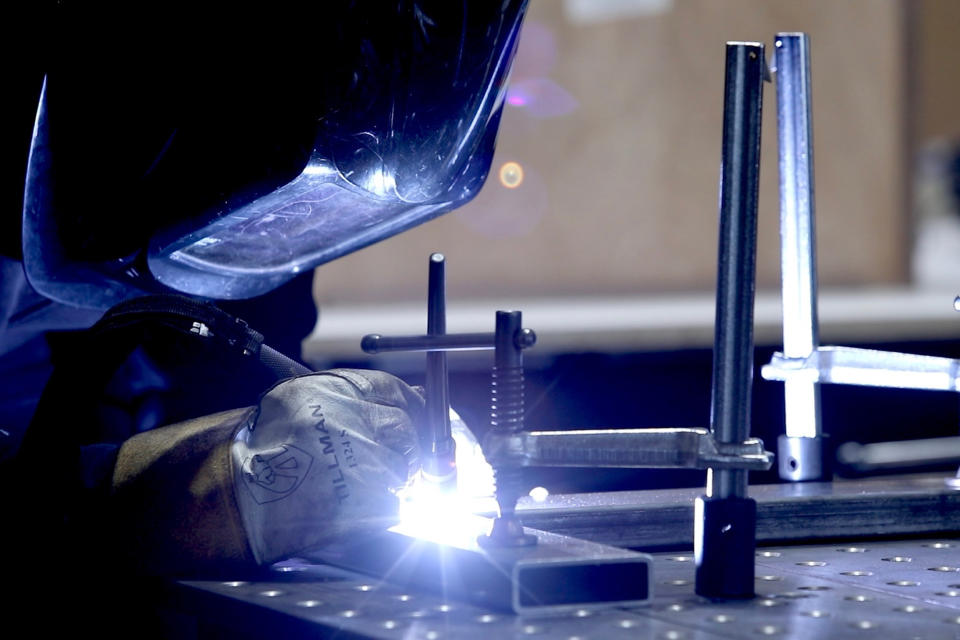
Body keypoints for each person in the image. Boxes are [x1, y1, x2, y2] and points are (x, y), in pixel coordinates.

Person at [1, 2, 528, 634]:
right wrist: (144, 497)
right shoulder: (179, 125)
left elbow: (247, 357)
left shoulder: (286, 151)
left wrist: (329, 449)